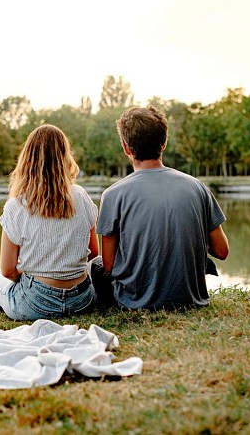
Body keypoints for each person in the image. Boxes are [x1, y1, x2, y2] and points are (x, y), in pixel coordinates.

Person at [0, 124, 99, 320]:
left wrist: (33, 270)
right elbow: (94, 253)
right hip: (81, 300)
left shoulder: (17, 205)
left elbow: (7, 270)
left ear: (28, 159)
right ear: (65, 157)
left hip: (36, 304)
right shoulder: (81, 196)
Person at [93, 106, 230, 310]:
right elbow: (222, 251)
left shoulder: (113, 195)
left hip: (135, 303)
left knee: (94, 265)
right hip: (191, 300)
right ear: (164, 143)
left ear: (125, 147)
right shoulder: (197, 187)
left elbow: (109, 265)